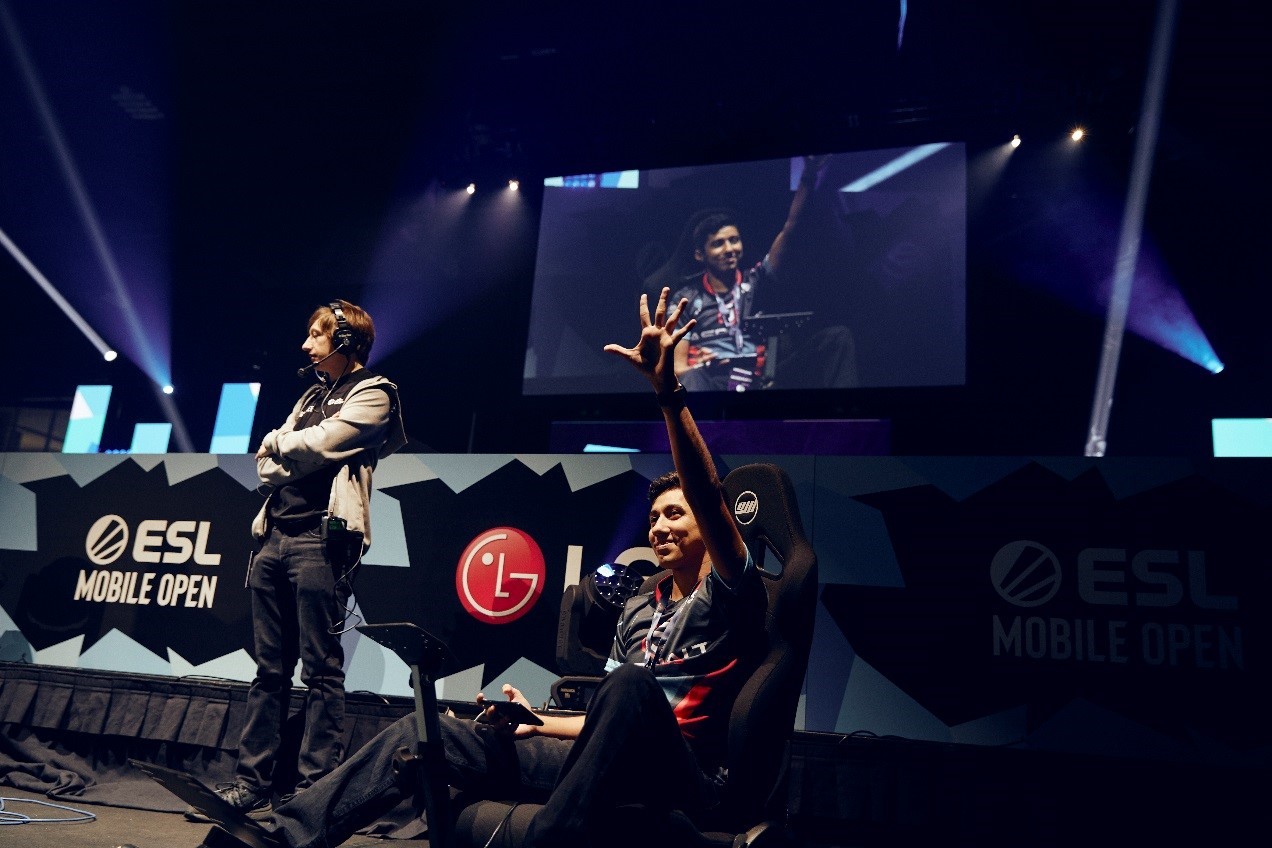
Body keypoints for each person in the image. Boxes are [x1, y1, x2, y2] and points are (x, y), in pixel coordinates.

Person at [216, 288, 764, 848]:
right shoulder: (641, 609)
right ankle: (284, 837)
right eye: (652, 518)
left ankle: (554, 835)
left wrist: (668, 393)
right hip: (596, 757)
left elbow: (708, 499)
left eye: (676, 514)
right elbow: (598, 724)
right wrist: (534, 720)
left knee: (628, 685)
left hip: (683, 772)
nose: (658, 527)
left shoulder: (730, 588)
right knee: (426, 732)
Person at [190, 299, 407, 822]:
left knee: (321, 671)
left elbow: (326, 444)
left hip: (320, 540)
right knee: (269, 671)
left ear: (347, 342)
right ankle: (251, 785)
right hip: (273, 538)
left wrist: (283, 444)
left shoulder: (376, 393)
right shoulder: (311, 394)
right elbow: (267, 467)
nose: (306, 344)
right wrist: (287, 448)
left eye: (317, 334)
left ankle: (314, 793)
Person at [649, 155, 857, 391]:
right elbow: (677, 368)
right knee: (691, 380)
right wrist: (702, 366)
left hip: (761, 379)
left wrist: (808, 176)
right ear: (700, 255)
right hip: (712, 382)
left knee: (836, 339)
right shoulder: (687, 299)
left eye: (734, 240)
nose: (730, 249)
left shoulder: (757, 281)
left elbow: (791, 229)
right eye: (718, 244)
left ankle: (844, 421)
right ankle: (697, 429)